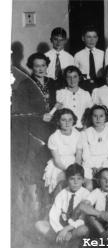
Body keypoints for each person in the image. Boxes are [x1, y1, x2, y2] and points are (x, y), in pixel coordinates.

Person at [12, 52, 58, 217]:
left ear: (47, 66)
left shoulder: (53, 83)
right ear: (31, 67)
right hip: (34, 132)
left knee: (52, 167)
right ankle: (36, 210)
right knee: (37, 168)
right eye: (37, 66)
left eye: (43, 65)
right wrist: (40, 116)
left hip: (53, 131)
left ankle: (52, 208)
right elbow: (19, 111)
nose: (40, 69)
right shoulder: (25, 85)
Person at [35, 164, 90, 247]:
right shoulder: (62, 193)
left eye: (79, 179)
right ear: (67, 180)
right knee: (39, 224)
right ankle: (66, 241)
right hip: (61, 226)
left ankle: (62, 241)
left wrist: (66, 229)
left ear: (83, 180)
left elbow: (82, 219)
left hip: (75, 227)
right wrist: (60, 230)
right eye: (72, 179)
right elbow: (54, 214)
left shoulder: (86, 194)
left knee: (84, 230)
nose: (75, 182)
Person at [77, 105, 108, 190]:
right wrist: (93, 167)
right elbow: (86, 155)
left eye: (101, 116)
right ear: (91, 117)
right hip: (90, 165)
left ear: (106, 117)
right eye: (95, 116)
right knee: (89, 186)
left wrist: (103, 168)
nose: (98, 119)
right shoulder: (85, 133)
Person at [43, 109, 82, 195]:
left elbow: (78, 156)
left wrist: (75, 168)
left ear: (73, 121)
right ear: (58, 122)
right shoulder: (53, 137)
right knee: (61, 180)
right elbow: (57, 160)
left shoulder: (78, 135)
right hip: (59, 165)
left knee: (79, 179)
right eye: (63, 120)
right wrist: (68, 171)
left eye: (70, 120)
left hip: (74, 163)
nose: (67, 123)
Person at [74, 25, 105, 93]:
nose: (92, 40)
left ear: (97, 38)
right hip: (84, 85)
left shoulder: (103, 54)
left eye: (94, 37)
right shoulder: (78, 55)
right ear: (83, 38)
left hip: (100, 84)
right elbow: (75, 74)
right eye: (88, 37)